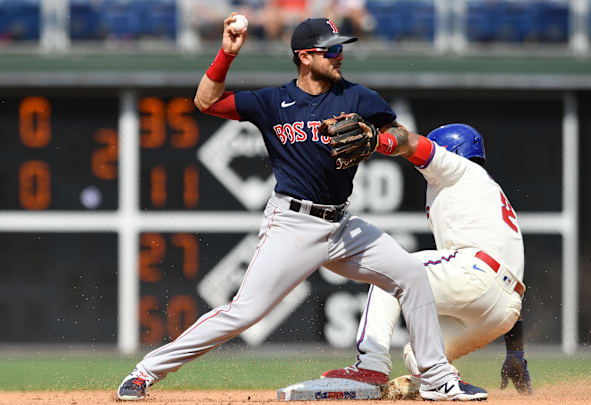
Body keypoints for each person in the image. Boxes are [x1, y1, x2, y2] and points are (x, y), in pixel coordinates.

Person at [116, 14, 488, 401]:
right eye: (331, 49)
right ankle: (144, 373)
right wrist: (226, 55)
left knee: (411, 275)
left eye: (341, 48)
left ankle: (437, 378)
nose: (339, 56)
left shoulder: (357, 97)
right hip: (292, 224)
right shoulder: (273, 102)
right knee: (243, 312)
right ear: (306, 57)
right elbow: (205, 102)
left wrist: (379, 140)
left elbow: (398, 132)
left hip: (341, 226)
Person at [321, 124, 533, 395]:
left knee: (390, 271)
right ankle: (445, 382)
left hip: (479, 277)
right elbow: (504, 278)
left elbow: (412, 144)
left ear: (450, 152)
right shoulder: (484, 192)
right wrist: (516, 352)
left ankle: (370, 365)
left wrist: (380, 141)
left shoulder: (458, 169)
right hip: (504, 311)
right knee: (422, 354)